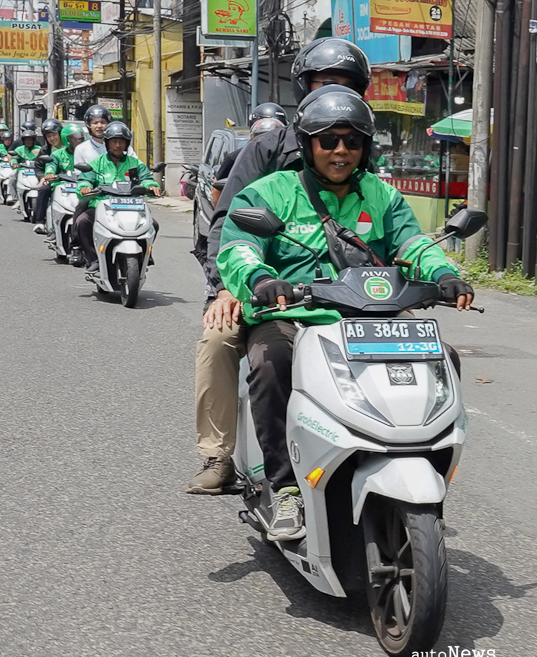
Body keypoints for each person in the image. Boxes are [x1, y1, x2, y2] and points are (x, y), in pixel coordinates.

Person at [216, 88, 474, 540]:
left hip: (371, 318)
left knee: (442, 358)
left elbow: (413, 243)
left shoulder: (381, 195)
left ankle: (422, 471)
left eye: (352, 141)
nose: (341, 151)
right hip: (294, 316)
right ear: (307, 143)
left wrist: (443, 273)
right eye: (329, 140)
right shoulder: (270, 192)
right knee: (270, 363)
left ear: (365, 147)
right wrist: (261, 278)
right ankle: (285, 487)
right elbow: (238, 246)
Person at [187, 36, 371, 495]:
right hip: (260, 284)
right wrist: (226, 287)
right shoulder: (266, 149)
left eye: (346, 84)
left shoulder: (361, 148)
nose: (341, 149)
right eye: (324, 82)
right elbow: (229, 222)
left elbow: (382, 225)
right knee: (218, 339)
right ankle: (219, 454)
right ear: (304, 88)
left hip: (344, 290)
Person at [74, 121, 162, 274]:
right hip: (103, 207)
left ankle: (145, 254)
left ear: (126, 144)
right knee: (82, 222)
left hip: (131, 206)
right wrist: (85, 187)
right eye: (114, 141)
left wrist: (151, 186)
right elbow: (85, 180)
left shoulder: (135, 163)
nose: (117, 145)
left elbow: (146, 178)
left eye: (121, 142)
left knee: (153, 224)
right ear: (107, 143)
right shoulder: (97, 163)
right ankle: (94, 259)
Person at [211, 103, 288, 208]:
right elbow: (216, 189)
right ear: (252, 137)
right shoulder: (236, 158)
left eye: (275, 137)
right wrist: (223, 214)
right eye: (261, 138)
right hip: (246, 212)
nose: (268, 145)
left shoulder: (293, 156)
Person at [33, 119, 65, 233]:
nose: (52, 138)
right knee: (44, 189)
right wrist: (42, 178)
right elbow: (38, 167)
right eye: (49, 136)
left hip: (71, 180)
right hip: (52, 180)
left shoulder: (70, 147)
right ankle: (40, 222)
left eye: (54, 135)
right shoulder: (44, 150)